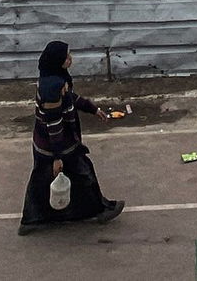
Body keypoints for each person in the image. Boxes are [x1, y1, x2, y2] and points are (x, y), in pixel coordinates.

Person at [19, 41, 123, 234]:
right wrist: (57, 156)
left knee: (42, 181)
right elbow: (54, 124)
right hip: (56, 146)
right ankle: (100, 210)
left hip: (46, 145)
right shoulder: (52, 88)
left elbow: (72, 98)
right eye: (67, 57)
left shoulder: (53, 79)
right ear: (58, 61)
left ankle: (31, 220)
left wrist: (93, 109)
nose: (70, 59)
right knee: (83, 173)